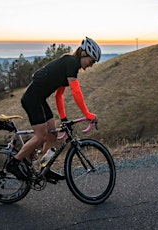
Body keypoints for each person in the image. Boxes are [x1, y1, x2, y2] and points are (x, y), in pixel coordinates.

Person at [6, 37, 101, 181]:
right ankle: (14, 163)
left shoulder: (68, 65)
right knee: (41, 136)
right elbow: (76, 92)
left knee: (52, 135)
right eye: (92, 61)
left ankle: (45, 168)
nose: (92, 65)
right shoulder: (71, 63)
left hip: (39, 99)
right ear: (83, 54)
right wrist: (87, 114)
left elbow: (59, 96)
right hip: (32, 99)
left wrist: (63, 119)